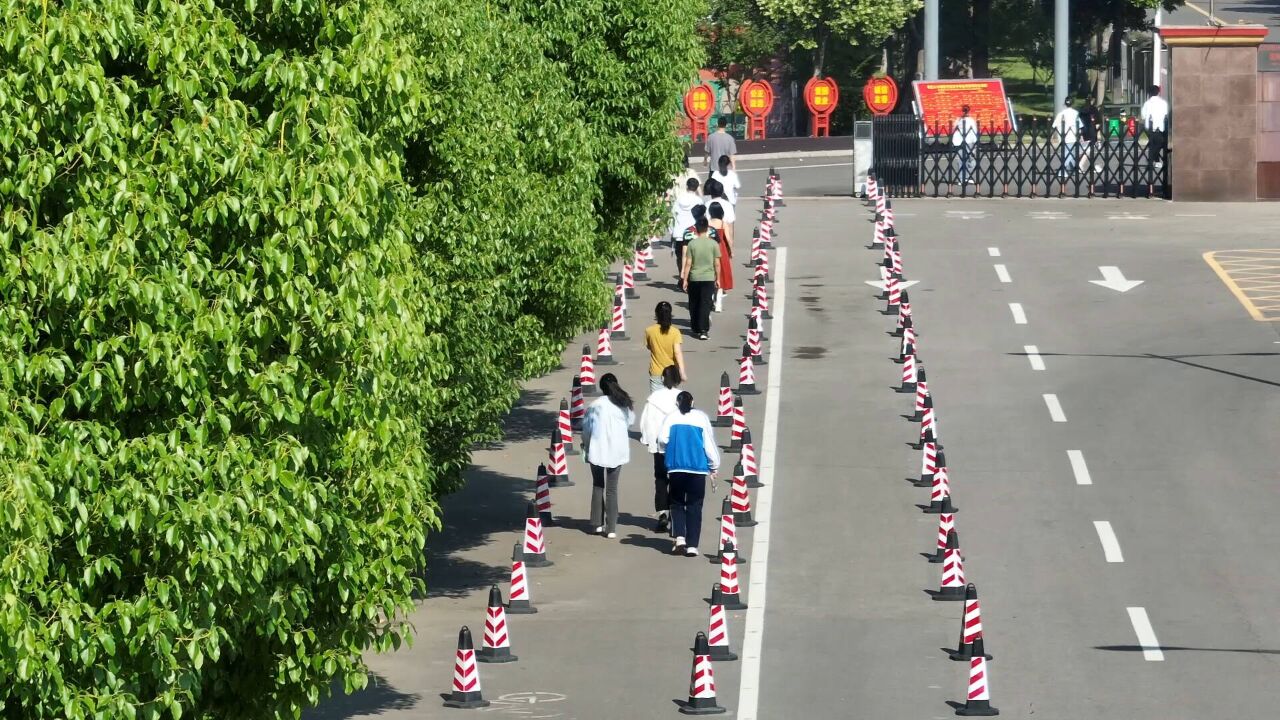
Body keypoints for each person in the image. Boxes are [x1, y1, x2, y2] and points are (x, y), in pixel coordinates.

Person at [658, 391, 719, 556]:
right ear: (693, 402)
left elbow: (662, 440)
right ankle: (692, 545)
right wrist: (714, 466)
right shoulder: (701, 418)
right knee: (695, 505)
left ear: (677, 404)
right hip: (697, 469)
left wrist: (667, 452)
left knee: (676, 502)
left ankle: (679, 537)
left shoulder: (670, 418)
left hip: (676, 467)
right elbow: (709, 444)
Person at [581, 373, 635, 539]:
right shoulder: (623, 404)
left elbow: (586, 429)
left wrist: (585, 444)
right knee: (612, 489)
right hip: (617, 452)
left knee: (598, 485)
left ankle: (597, 524)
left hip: (597, 450)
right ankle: (611, 527)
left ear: (601, 388)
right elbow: (630, 422)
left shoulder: (595, 405)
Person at [639, 365, 683, 534]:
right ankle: (675, 514)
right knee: (676, 480)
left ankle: (662, 514)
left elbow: (646, 421)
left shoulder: (654, 398)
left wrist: (646, 439)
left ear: (663, 379)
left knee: (660, 479)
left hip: (658, 447)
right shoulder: (682, 397)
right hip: (676, 447)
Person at [680, 216, 721, 340]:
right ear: (707, 228)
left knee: (694, 303)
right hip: (708, 278)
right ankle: (704, 330)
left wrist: (685, 279)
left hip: (694, 277)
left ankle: (695, 327)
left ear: (696, 229)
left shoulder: (692, 243)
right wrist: (718, 279)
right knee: (705, 303)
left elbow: (688, 263)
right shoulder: (713, 244)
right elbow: (717, 263)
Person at [644, 301, 686, 392]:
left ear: (656, 314)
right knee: (672, 401)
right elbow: (677, 353)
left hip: (656, 372)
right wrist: (682, 372)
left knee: (656, 401)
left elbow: (649, 346)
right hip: (672, 373)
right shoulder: (675, 332)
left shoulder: (649, 331)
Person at [669, 179, 701, 273]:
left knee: (680, 256)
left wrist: (672, 231)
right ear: (696, 188)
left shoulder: (679, 199)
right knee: (693, 257)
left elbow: (672, 215)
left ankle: (681, 276)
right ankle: (690, 278)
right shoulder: (698, 201)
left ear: (687, 186)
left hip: (679, 233)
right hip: (693, 232)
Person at [707, 202, 733, 313]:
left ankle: (711, 299)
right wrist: (730, 250)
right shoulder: (723, 223)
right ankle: (719, 303)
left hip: (709, 249)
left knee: (710, 274)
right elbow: (728, 239)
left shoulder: (708, 223)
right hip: (721, 249)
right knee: (720, 275)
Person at [1141, 84, 1169, 168]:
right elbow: (1165, 114)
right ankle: (1152, 159)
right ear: (1158, 92)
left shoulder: (1147, 103)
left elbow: (1143, 115)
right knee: (1160, 143)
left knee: (1152, 144)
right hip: (1160, 127)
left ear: (1149, 93)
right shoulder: (1163, 103)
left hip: (1149, 127)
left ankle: (1155, 161)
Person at [1052, 97, 1082, 178]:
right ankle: (1063, 169)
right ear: (1073, 103)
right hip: (1072, 135)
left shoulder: (1061, 113)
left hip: (1062, 136)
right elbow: (1080, 125)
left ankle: (1074, 168)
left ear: (1065, 103)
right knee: (1069, 154)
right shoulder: (1076, 113)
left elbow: (1054, 125)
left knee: (1068, 152)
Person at [951, 105, 979, 185]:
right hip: (964, 142)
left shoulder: (961, 120)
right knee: (966, 160)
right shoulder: (963, 120)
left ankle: (965, 177)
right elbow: (975, 131)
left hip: (964, 141)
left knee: (966, 160)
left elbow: (953, 129)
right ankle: (962, 178)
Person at [1079, 99, 1102, 173]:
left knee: (1084, 149)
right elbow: (1097, 123)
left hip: (1083, 131)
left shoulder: (1081, 110)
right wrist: (1099, 137)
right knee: (1088, 150)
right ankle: (1081, 165)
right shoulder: (1094, 110)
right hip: (1092, 131)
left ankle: (1081, 165)